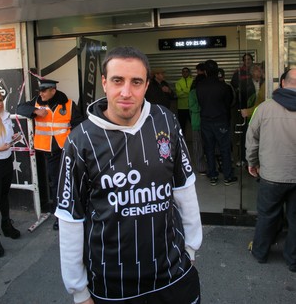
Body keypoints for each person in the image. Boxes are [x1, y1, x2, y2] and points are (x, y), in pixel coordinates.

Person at [55, 46, 202, 304]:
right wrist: (78, 290)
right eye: (117, 80)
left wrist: (191, 248)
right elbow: (70, 217)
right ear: (104, 83)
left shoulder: (165, 121)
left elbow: (184, 187)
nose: (126, 92)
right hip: (112, 284)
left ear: (146, 85)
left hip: (173, 273)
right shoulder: (81, 140)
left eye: (136, 82)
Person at [246, 69, 296, 272]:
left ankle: (260, 253)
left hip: (271, 176)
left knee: (267, 216)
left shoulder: (264, 109)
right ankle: (292, 260)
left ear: (282, 83)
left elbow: (252, 140)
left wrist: (252, 162)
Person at [17, 79, 83, 230]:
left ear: (53, 91)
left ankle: (71, 211)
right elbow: (20, 108)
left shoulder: (68, 104)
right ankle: (58, 216)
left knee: (69, 181)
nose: (40, 93)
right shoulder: (37, 102)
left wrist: (74, 145)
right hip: (47, 151)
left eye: (44, 91)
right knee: (55, 183)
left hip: (66, 150)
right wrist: (34, 111)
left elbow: (78, 125)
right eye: (40, 91)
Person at [196, 60, 237, 186]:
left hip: (206, 121)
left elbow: (200, 103)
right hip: (220, 121)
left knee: (209, 148)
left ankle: (212, 175)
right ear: (217, 71)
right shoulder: (223, 87)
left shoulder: (199, 86)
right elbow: (228, 104)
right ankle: (227, 176)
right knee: (224, 149)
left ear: (206, 72)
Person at [0, 90, 21, 257]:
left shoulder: (5, 116)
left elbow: (7, 138)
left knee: (4, 196)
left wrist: (14, 138)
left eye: (0, 100)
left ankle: (6, 225)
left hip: (6, 161)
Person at [189, 65, 207, 176]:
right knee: (198, 145)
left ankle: (203, 166)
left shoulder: (202, 92)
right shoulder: (193, 93)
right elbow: (193, 107)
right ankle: (201, 167)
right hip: (198, 122)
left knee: (200, 145)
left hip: (202, 121)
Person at [175, 67, 193, 136]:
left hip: (191, 107)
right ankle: (182, 142)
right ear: (182, 73)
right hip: (181, 107)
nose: (185, 73)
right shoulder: (178, 82)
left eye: (186, 71)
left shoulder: (192, 81)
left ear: (189, 73)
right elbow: (179, 94)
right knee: (182, 126)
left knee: (194, 126)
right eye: (183, 72)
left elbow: (193, 93)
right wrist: (188, 91)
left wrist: (183, 91)